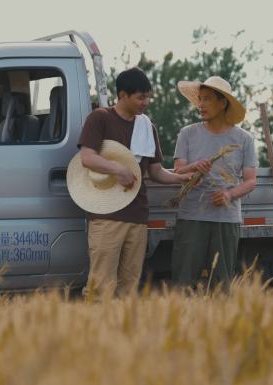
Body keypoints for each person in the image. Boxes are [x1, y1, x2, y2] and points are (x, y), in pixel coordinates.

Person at [76, 67, 190, 297]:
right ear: (122, 95)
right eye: (141, 97)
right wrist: (118, 168)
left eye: (148, 96)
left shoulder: (147, 127)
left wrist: (181, 179)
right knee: (100, 287)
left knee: (129, 288)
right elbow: (87, 158)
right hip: (106, 215)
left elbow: (156, 172)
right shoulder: (100, 118)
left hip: (137, 215)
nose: (146, 102)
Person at [171, 76, 258, 288]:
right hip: (191, 216)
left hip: (226, 219)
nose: (200, 104)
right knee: (184, 283)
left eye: (207, 99)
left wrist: (229, 195)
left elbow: (251, 181)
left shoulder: (244, 139)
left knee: (221, 285)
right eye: (199, 99)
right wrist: (193, 167)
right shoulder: (187, 134)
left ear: (223, 103)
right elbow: (177, 171)